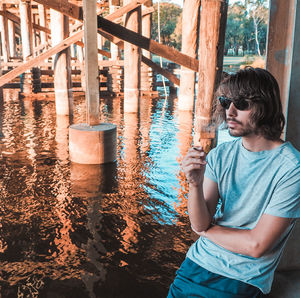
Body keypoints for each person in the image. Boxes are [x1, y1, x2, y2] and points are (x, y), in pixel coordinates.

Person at [167, 67, 300, 298]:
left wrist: (205, 231)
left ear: (265, 106)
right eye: (225, 101)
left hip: (242, 278)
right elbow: (200, 221)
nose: (230, 111)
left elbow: (256, 246)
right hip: (197, 263)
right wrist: (195, 184)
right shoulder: (220, 155)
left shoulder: (292, 168)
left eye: (241, 103)